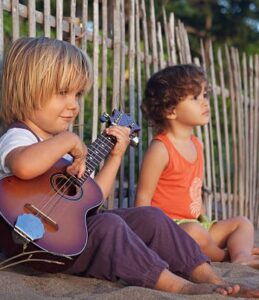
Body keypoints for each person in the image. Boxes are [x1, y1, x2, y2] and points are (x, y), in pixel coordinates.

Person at [0, 37, 258, 298]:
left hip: (71, 236)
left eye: (78, 95)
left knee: (151, 217)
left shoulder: (62, 153)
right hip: (39, 245)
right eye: (63, 93)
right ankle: (181, 286)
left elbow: (91, 197)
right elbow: (23, 165)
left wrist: (115, 156)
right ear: (27, 90)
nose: (74, 105)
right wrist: (69, 140)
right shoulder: (20, 137)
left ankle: (208, 275)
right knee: (109, 225)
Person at [135, 64, 259, 269]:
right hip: (170, 231)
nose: (205, 103)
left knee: (242, 222)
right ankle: (225, 255)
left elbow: (193, 191)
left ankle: (241, 256)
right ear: (170, 110)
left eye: (204, 95)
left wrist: (207, 222)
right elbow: (143, 200)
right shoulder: (160, 149)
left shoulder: (196, 144)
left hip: (197, 225)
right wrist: (146, 240)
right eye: (195, 98)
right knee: (195, 232)